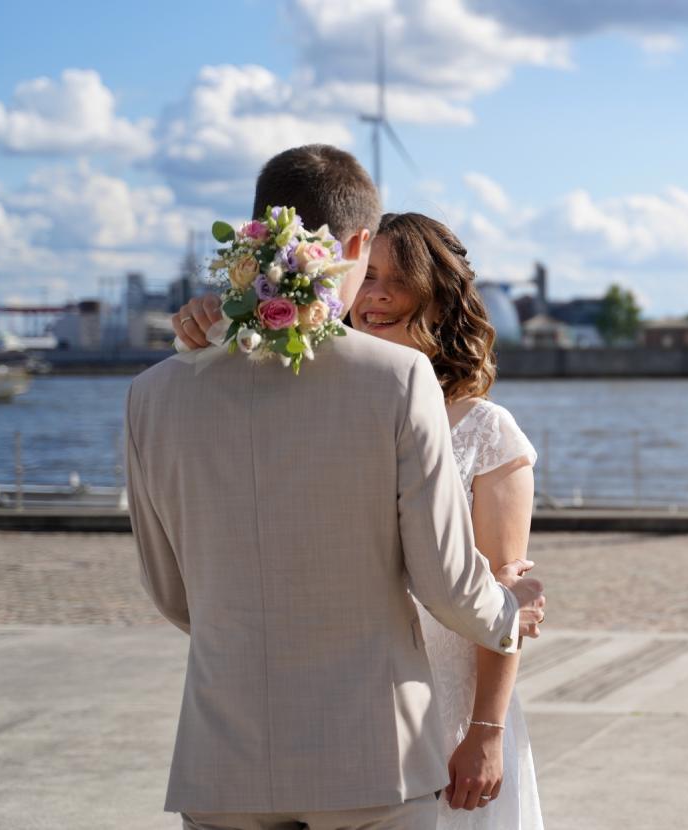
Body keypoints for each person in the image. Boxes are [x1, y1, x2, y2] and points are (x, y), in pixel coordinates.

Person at [127, 144, 547, 830]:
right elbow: (443, 579)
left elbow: (172, 592)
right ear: (356, 241)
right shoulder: (396, 380)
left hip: (220, 759)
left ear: (257, 228)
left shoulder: (150, 393)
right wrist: (509, 610)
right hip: (370, 753)